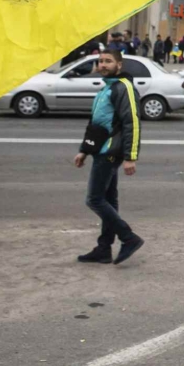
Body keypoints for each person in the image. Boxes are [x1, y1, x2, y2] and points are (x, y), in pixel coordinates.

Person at [72, 50, 144, 265]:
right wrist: (84, 150)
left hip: (111, 153)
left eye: (108, 61)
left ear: (118, 65)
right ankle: (104, 248)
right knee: (109, 201)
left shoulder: (124, 88)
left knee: (94, 199)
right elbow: (96, 125)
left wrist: (131, 157)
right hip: (100, 150)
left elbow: (133, 122)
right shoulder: (107, 88)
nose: (103, 65)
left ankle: (128, 238)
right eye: (101, 61)